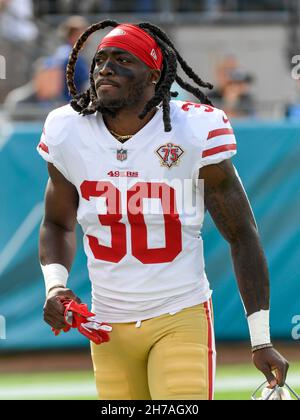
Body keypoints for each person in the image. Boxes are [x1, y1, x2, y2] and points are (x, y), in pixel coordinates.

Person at [38, 20, 289, 400]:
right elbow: (57, 223)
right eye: (101, 58)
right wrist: (55, 286)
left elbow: (242, 234)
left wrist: (260, 339)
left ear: (154, 76)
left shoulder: (192, 130)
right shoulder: (67, 130)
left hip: (179, 315)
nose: (105, 67)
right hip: (106, 325)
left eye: (122, 59)